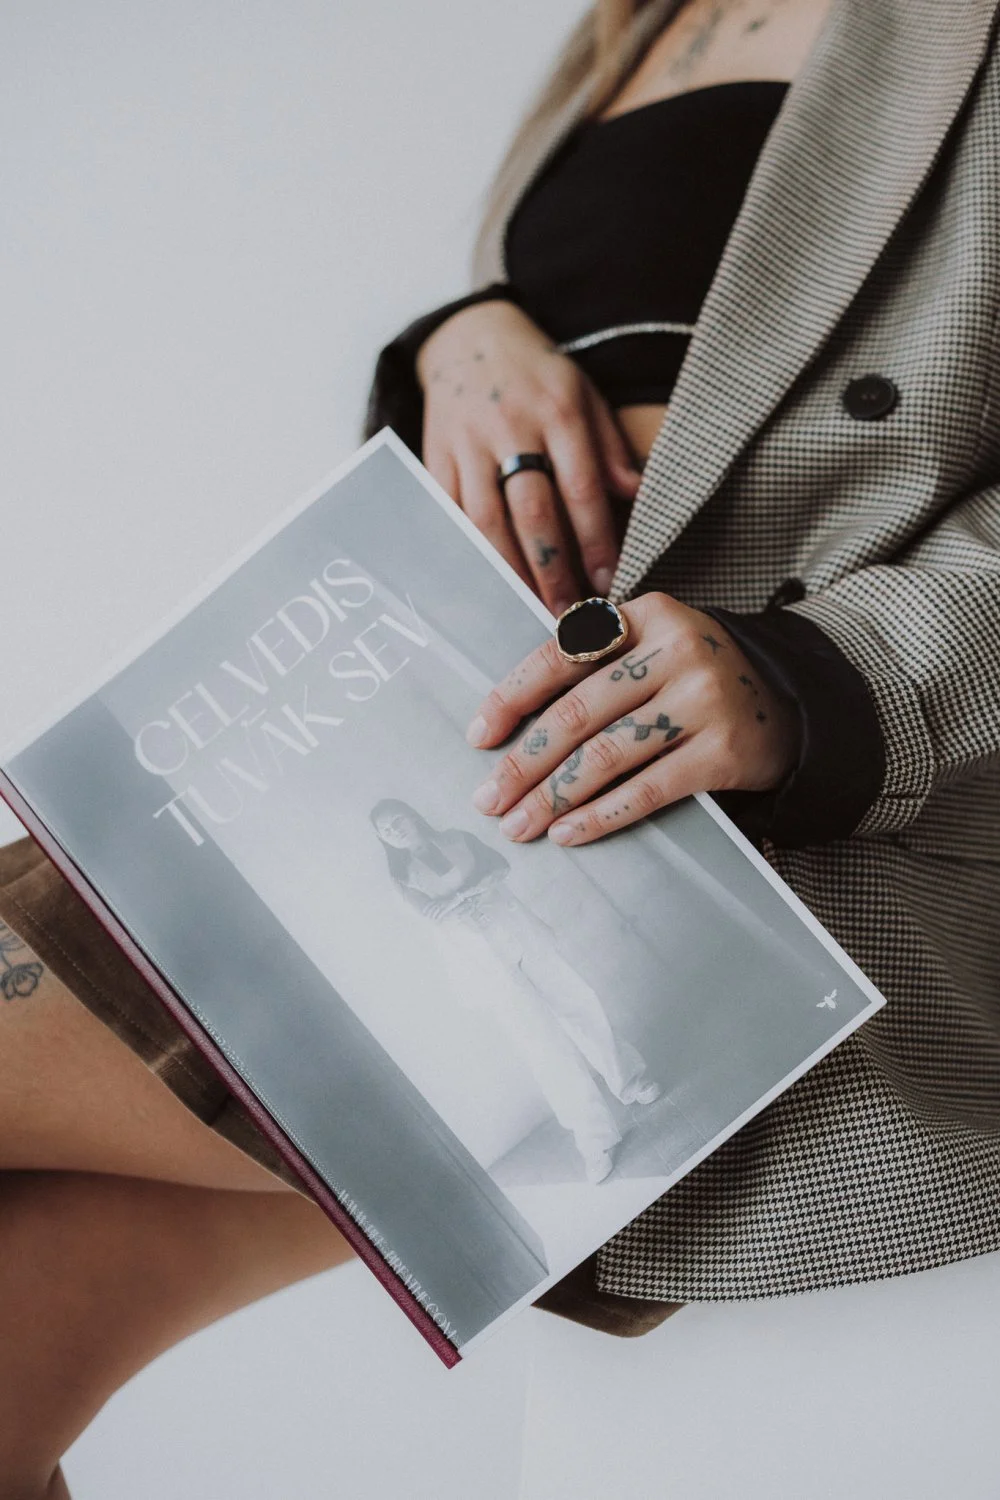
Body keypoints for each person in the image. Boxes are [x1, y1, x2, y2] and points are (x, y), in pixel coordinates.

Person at [3, 0, 1000, 1490]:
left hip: (752, 843)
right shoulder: (629, 30)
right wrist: (460, 337)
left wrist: (818, 679)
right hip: (459, 746)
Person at [370, 799, 660, 1184]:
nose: (395, 830)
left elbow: (500, 867)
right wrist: (470, 892)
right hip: (482, 964)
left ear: (412, 814)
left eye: (397, 820)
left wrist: (457, 899)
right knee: (543, 1049)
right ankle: (595, 1142)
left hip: (521, 935)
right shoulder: (402, 878)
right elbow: (431, 913)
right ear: (383, 841)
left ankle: (630, 1081)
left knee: (580, 1007)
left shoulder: (456, 838)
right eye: (385, 831)